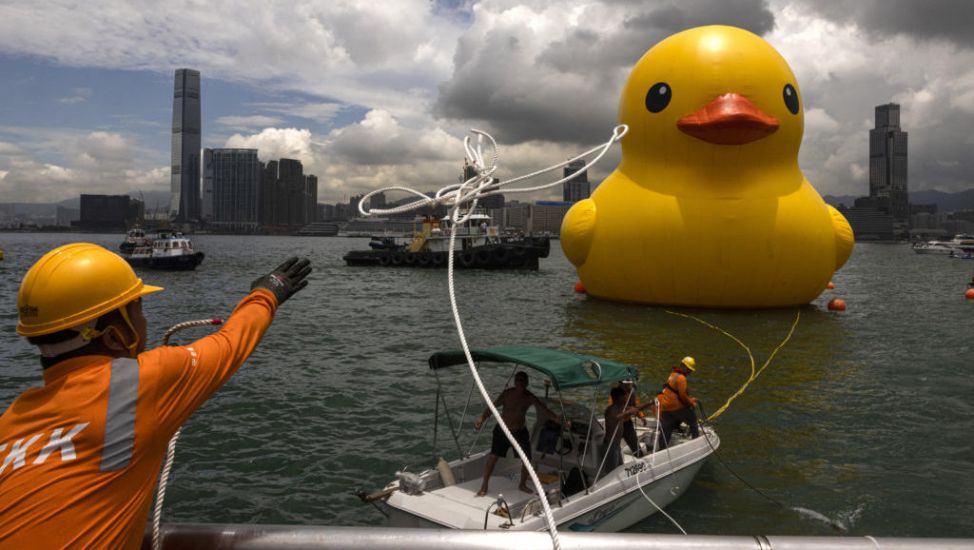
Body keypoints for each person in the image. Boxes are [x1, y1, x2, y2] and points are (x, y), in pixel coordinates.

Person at [0, 243, 311, 549]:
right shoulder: (140, 384)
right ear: (114, 336)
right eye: (138, 310)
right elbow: (231, 343)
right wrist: (268, 291)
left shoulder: (11, 420)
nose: (145, 322)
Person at [473, 371, 563, 496]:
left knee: (527, 460)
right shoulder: (507, 394)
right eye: (517, 380)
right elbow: (492, 407)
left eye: (522, 380)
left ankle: (522, 484)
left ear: (527, 383)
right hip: (503, 430)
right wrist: (481, 419)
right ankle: (484, 485)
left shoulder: (529, 397)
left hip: (519, 431)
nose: (519, 383)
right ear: (515, 382)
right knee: (493, 458)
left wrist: (557, 419)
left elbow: (544, 410)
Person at [626, 356, 700, 448]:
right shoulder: (682, 378)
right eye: (689, 369)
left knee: (666, 432)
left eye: (690, 370)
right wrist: (691, 403)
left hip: (665, 408)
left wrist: (689, 399)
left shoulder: (673, 374)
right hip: (676, 407)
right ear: (683, 366)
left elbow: (674, 392)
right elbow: (683, 397)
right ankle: (696, 443)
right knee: (693, 421)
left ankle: (662, 448)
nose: (690, 372)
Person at [601, 386, 628, 476]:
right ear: (619, 398)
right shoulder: (611, 410)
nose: (625, 398)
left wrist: (650, 403)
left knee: (620, 468)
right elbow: (617, 417)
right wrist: (630, 412)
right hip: (611, 445)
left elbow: (635, 408)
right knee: (612, 473)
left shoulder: (620, 408)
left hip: (616, 445)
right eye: (623, 397)